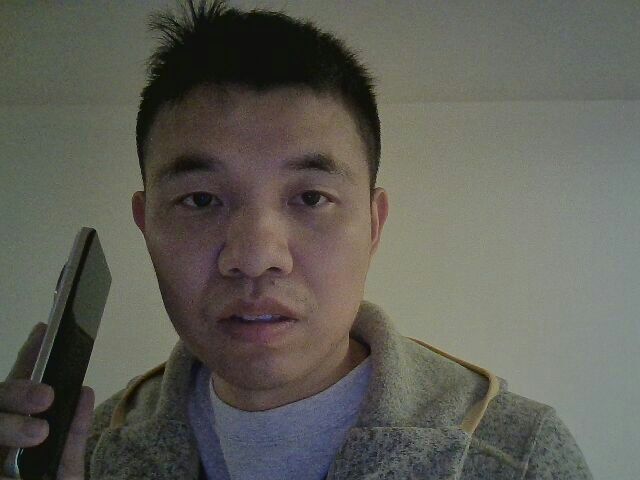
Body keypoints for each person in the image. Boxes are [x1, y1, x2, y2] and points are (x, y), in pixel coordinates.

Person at [1, 1, 593, 478]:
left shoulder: (518, 455)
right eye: (200, 200)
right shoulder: (85, 454)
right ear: (146, 224)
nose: (255, 257)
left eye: (311, 198)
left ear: (374, 225)